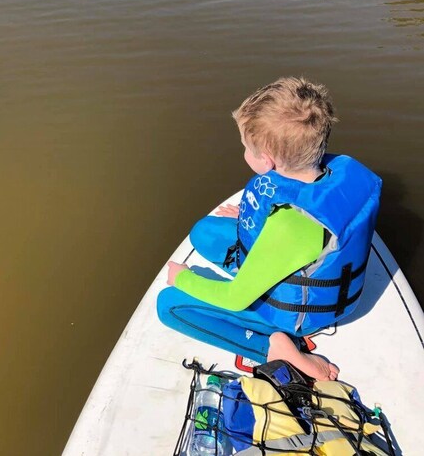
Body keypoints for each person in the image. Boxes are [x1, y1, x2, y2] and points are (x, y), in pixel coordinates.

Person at [157, 77, 381, 380]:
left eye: (246, 148)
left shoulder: (288, 228)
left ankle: (276, 347)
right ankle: (261, 293)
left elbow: (234, 298)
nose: (243, 153)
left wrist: (183, 278)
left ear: (266, 161)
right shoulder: (327, 175)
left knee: (168, 304)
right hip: (313, 270)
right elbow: (297, 216)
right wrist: (255, 216)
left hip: (301, 315)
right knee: (203, 232)